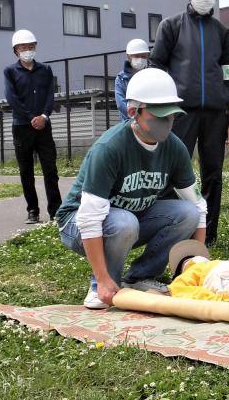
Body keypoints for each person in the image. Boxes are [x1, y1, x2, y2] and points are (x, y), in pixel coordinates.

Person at [55, 68, 208, 310]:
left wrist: (200, 263)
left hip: (131, 216)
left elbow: (198, 206)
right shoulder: (109, 148)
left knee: (186, 214)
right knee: (124, 223)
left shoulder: (175, 148)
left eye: (171, 116)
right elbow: (89, 218)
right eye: (158, 116)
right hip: (77, 223)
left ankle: (138, 277)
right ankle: (103, 284)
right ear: (133, 112)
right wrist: (102, 279)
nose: (166, 123)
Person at [150, 0, 229, 247]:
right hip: (179, 113)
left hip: (216, 114)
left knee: (213, 173)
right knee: (173, 170)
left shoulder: (222, 32)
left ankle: (207, 234)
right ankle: (168, 226)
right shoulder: (171, 26)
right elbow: (156, 66)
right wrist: (159, 109)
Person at [3, 29, 62, 224]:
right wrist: (31, 118)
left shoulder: (45, 69)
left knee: (50, 170)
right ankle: (33, 211)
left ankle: (56, 211)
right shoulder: (10, 71)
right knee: (26, 171)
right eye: (23, 48)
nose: (27, 50)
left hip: (44, 126)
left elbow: (50, 95)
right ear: (15, 51)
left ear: (35, 47)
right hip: (22, 127)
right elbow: (12, 98)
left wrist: (44, 116)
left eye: (31, 47)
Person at [115, 38, 150, 122]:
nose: (141, 59)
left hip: (149, 122)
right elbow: (121, 104)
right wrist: (135, 116)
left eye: (143, 56)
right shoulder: (121, 78)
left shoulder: (151, 75)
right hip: (128, 122)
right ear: (129, 57)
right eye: (137, 56)